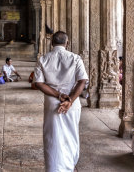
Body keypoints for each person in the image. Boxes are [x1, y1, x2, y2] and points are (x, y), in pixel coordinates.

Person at [34, 31, 88, 172]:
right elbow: (82, 81)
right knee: (70, 135)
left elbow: (39, 83)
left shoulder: (43, 59)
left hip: (52, 102)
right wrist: (69, 100)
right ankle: (69, 166)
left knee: (53, 137)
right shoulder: (75, 58)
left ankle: (53, 168)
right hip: (72, 102)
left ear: (51, 43)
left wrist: (58, 95)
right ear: (67, 43)